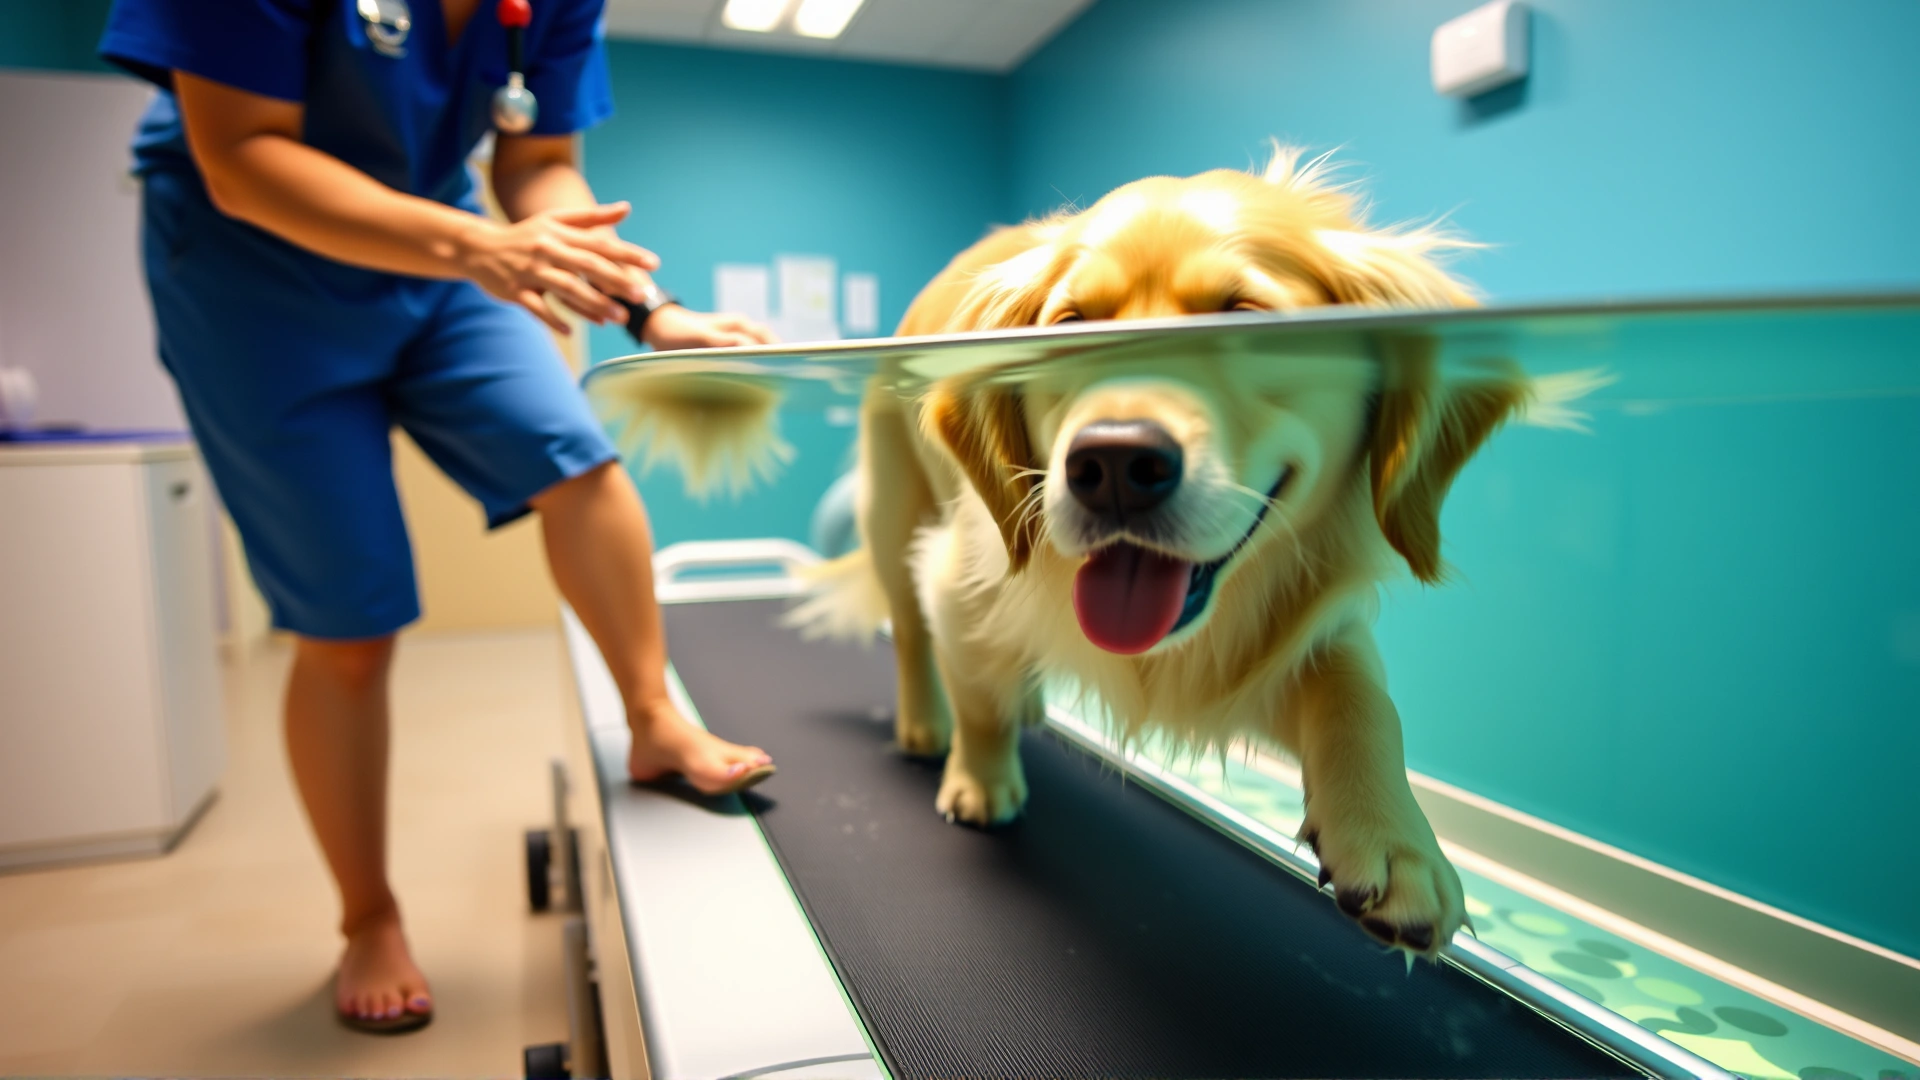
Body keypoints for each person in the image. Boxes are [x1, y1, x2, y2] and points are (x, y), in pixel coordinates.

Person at [98, 0, 777, 1035]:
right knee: (350, 629)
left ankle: (652, 719)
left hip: (439, 249)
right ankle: (368, 915)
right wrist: (475, 246)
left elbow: (536, 160)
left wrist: (647, 306)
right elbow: (241, 156)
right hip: (252, 265)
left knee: (578, 463)